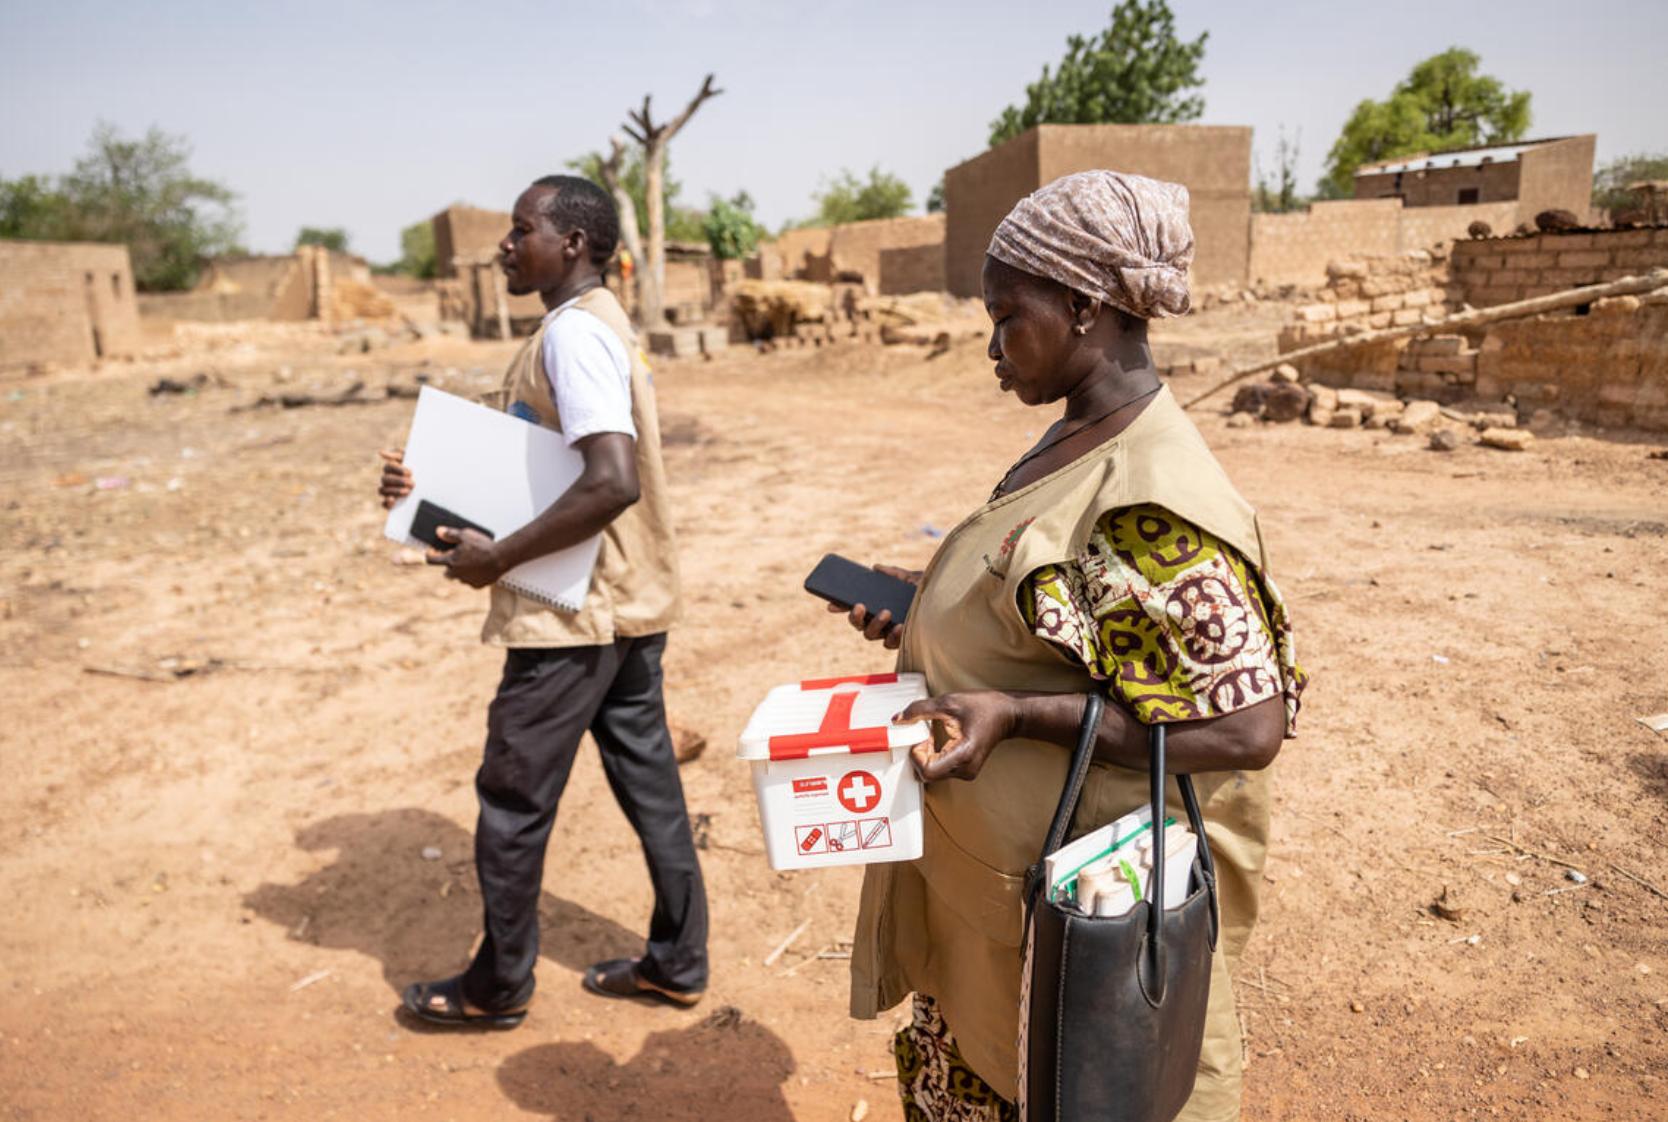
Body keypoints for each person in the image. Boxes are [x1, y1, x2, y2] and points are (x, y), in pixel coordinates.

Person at [833, 170, 1307, 1121]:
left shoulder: (1152, 501)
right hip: (998, 895)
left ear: (1085, 306)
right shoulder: (1082, 434)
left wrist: (1013, 713)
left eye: (1008, 313)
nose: (993, 346)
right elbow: (1063, 611)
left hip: (1070, 929)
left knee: (1058, 1086)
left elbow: (1249, 725)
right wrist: (934, 606)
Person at [377, 175, 707, 1027]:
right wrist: (422, 494)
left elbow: (609, 481)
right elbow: (536, 462)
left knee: (514, 800)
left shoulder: (574, 338)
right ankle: (679, 959)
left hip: (574, 614)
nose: (504, 245)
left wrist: (499, 561)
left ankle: (498, 985)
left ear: (573, 245)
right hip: (623, 603)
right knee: (651, 785)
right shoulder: (594, 330)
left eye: (521, 230)